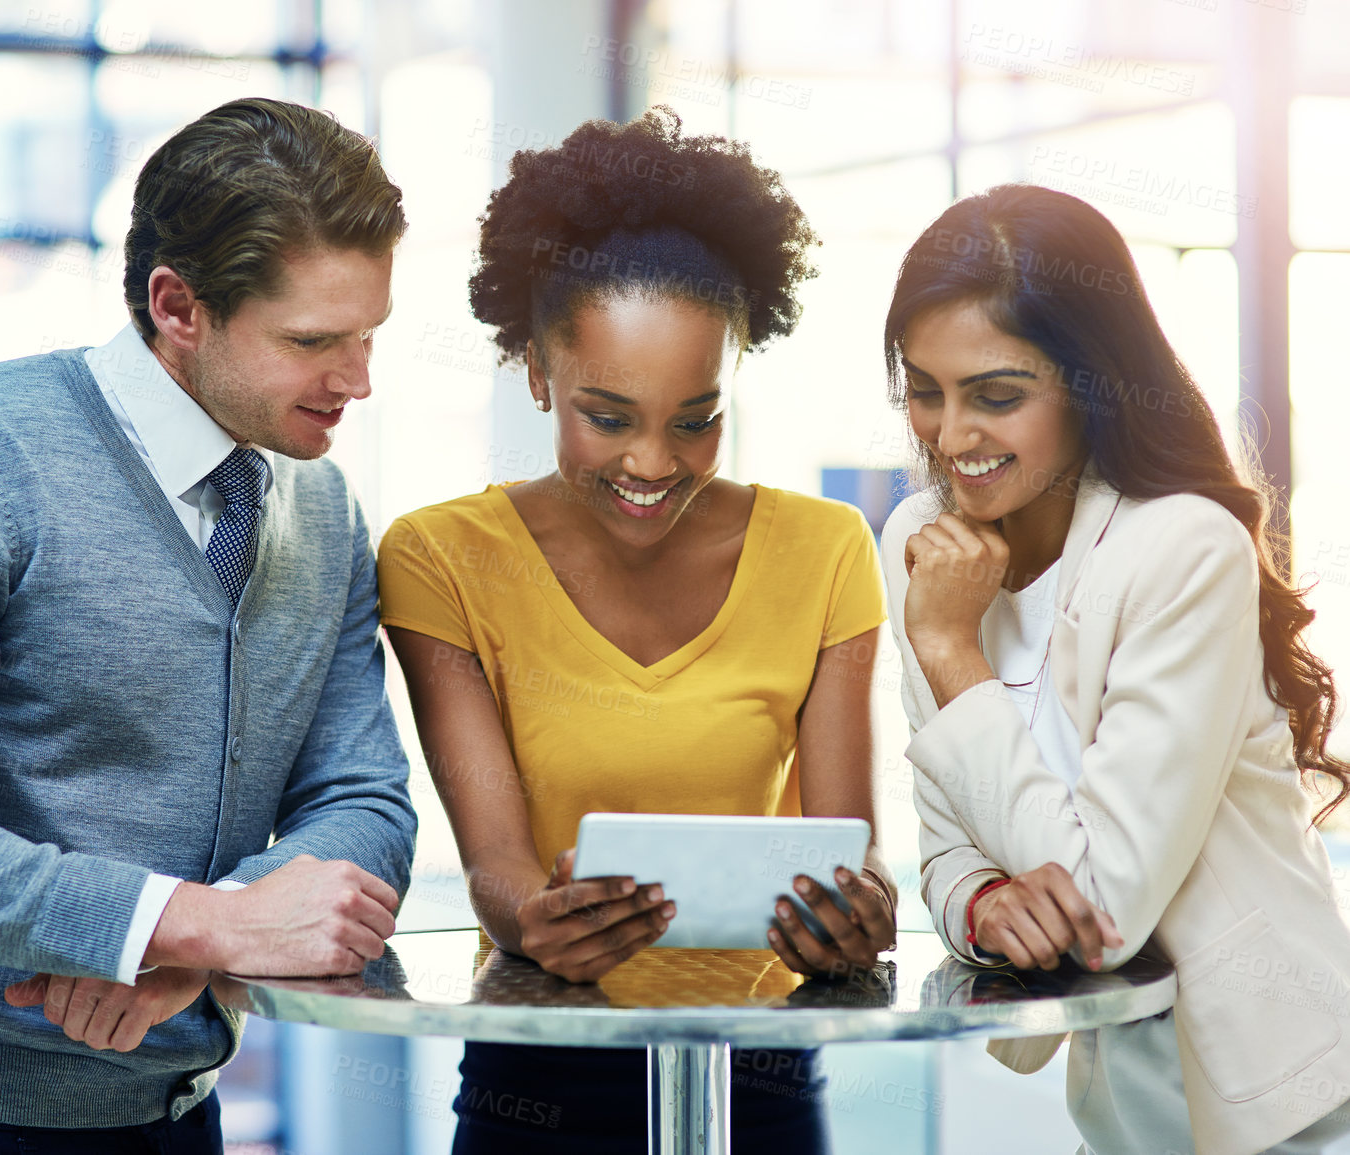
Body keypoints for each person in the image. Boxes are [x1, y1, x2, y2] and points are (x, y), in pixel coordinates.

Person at [0, 97, 418, 1155]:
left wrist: (189, 945)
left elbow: (362, 799)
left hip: (178, 1113)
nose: (357, 381)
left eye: (369, 336)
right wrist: (207, 923)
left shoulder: (321, 507)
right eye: (313, 341)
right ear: (177, 307)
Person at [376, 108, 897, 1154]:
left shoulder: (827, 548)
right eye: (607, 417)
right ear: (535, 372)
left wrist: (860, 917)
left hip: (763, 1081)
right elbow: (497, 866)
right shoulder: (440, 557)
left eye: (696, 418)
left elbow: (850, 844)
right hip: (537, 1081)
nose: (653, 464)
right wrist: (535, 919)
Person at [879, 183, 1350, 1155]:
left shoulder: (1182, 548)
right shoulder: (925, 540)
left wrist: (953, 652)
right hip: (1120, 1106)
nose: (952, 436)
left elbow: (1102, 907)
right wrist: (980, 902)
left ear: (1090, 383)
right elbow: (946, 840)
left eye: (997, 396)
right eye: (926, 390)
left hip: (1289, 1105)